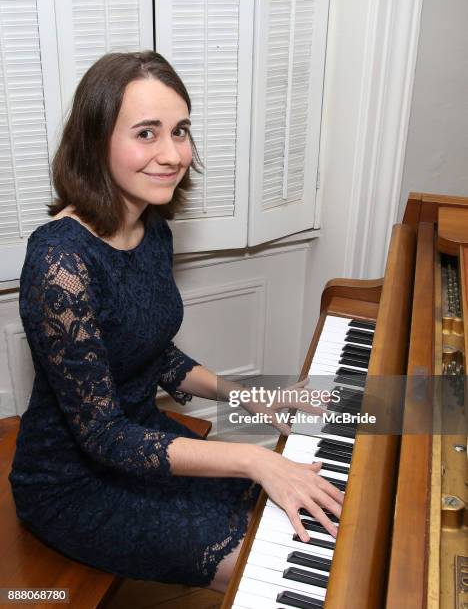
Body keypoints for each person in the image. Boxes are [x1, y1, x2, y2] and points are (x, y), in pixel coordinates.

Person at [9, 51, 343, 592]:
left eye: (180, 130)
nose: (172, 154)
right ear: (96, 143)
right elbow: (104, 436)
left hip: (141, 441)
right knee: (277, 570)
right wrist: (253, 460)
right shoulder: (59, 264)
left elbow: (152, 352)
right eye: (146, 133)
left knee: (297, 521)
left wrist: (247, 397)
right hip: (73, 484)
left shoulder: (152, 227)